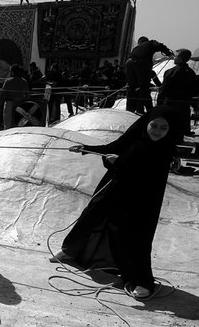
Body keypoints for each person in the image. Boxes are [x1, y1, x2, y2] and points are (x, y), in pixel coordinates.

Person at [53, 106, 182, 300]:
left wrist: (120, 163)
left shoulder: (164, 150)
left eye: (163, 128)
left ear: (170, 131)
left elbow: (147, 175)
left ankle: (142, 281)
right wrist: (86, 149)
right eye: (154, 125)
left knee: (130, 236)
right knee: (92, 215)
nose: (157, 131)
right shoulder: (136, 136)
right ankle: (70, 250)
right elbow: (113, 148)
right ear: (146, 123)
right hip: (114, 188)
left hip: (139, 201)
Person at [125, 36, 174, 114]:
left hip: (129, 63)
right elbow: (160, 45)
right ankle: (139, 110)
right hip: (141, 64)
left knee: (131, 87)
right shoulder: (151, 43)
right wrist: (169, 53)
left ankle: (129, 109)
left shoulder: (136, 49)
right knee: (143, 87)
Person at [160, 49, 199, 139]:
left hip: (170, 103)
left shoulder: (171, 72)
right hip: (184, 104)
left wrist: (159, 104)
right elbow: (194, 89)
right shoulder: (191, 73)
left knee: (169, 128)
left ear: (180, 59)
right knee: (180, 130)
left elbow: (163, 89)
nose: (174, 58)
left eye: (176, 56)